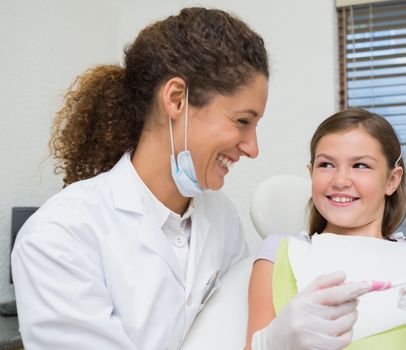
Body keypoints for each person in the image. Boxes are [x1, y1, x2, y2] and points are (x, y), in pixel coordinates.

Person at [11, 7, 269, 350]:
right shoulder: (58, 237)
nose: (253, 148)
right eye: (241, 121)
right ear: (176, 99)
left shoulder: (221, 218)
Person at [246, 108, 406, 350]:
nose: (340, 180)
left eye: (361, 165)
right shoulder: (279, 254)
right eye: (326, 164)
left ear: (392, 180)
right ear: (311, 172)